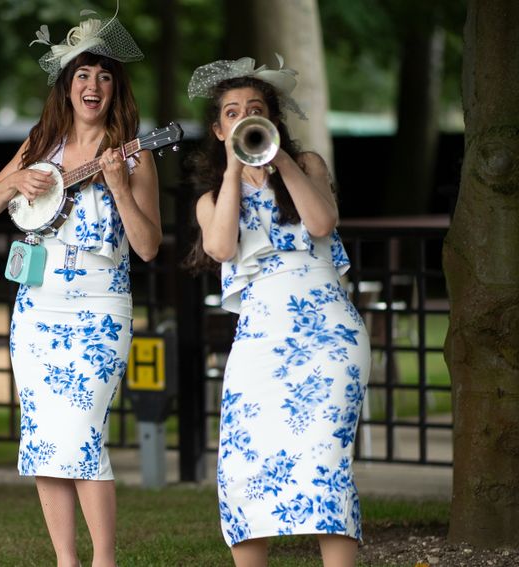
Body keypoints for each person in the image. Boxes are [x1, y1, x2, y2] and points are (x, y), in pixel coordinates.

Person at [0, 9, 161, 567]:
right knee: (41, 439)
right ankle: (67, 560)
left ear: (116, 88)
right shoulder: (43, 141)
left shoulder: (134, 152)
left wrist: (118, 186)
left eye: (104, 76)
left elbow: (150, 245)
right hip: (36, 306)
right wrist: (16, 178)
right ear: (66, 85)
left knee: (82, 434)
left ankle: (103, 560)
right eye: (83, 75)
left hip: (101, 307)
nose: (93, 85)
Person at [184, 55, 370, 567]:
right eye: (232, 111)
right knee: (242, 463)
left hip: (329, 332)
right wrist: (234, 171)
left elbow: (322, 222)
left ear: (272, 119)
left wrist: (280, 161)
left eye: (256, 109)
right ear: (219, 127)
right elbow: (221, 247)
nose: (244, 116)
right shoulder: (211, 197)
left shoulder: (306, 165)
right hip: (261, 337)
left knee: (326, 464)